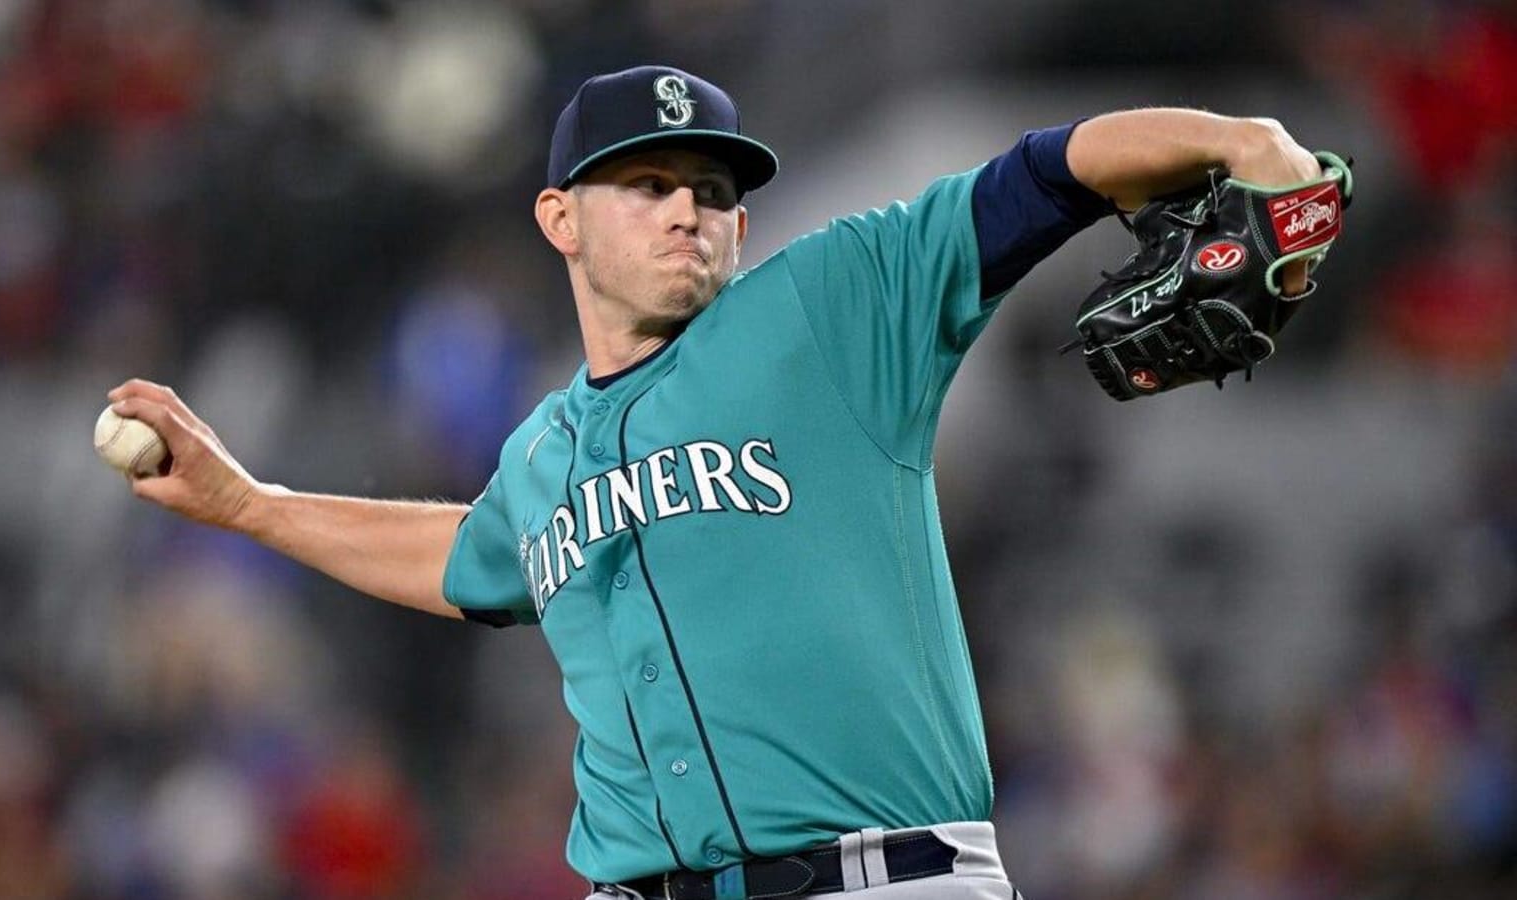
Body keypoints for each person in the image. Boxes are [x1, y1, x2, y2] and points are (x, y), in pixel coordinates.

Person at [106, 66, 1324, 899]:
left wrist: (1241, 144)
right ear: (559, 219)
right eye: (647, 186)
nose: (691, 212)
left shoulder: (836, 305)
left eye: (716, 193)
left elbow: (1046, 174)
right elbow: (468, 561)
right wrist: (246, 505)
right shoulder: (539, 454)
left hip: (886, 877)